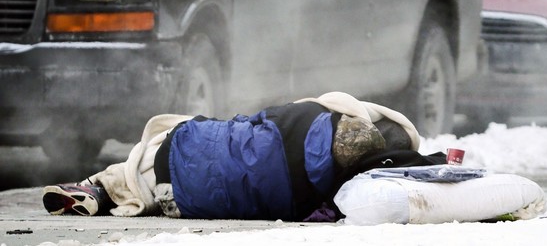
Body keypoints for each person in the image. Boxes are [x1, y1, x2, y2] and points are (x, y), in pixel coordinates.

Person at [42, 91, 444, 220]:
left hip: (181, 155)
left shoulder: (308, 112)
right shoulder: (331, 196)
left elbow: (249, 122)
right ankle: (117, 189)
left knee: (168, 143)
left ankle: (97, 185)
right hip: (185, 202)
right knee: (171, 174)